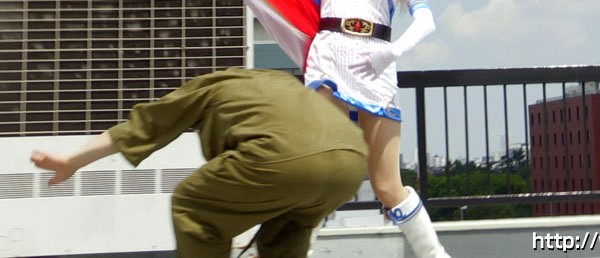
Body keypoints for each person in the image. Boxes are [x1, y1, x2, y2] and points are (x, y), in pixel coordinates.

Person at [186, 0, 449, 258]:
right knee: (311, 167)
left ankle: (434, 255)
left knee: (387, 185)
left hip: (375, 64)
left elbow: (425, 19)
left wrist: (392, 51)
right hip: (328, 60)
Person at [30, 68, 368, 258]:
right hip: (351, 161)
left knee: (193, 206)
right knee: (287, 231)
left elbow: (145, 126)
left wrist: (72, 160)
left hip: (281, 158)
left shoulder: (210, 87)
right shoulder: (279, 83)